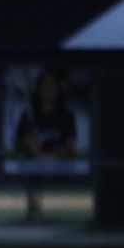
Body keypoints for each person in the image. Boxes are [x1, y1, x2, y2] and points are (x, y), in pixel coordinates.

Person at [14, 67, 78, 219]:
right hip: (35, 164)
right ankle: (33, 209)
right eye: (44, 85)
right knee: (28, 165)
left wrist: (51, 156)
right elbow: (18, 142)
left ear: (58, 88)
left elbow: (71, 146)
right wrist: (30, 145)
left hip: (59, 162)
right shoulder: (30, 114)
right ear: (38, 88)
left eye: (52, 85)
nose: (48, 90)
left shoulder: (66, 115)